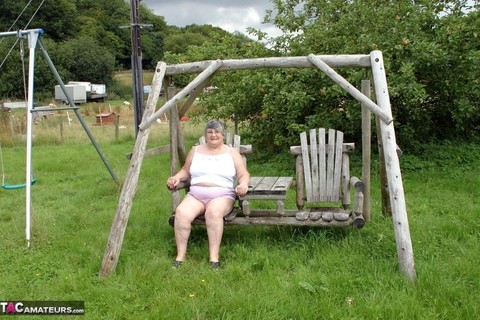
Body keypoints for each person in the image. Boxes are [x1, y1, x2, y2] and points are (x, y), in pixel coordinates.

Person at [166, 120, 250, 270]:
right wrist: (176, 178)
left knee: (213, 212)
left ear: (223, 135)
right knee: (181, 212)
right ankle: (180, 256)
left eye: (217, 132)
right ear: (205, 135)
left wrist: (243, 184)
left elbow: (243, 174)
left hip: (222, 195)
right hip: (196, 195)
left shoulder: (231, 153)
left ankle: (214, 258)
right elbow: (185, 170)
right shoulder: (196, 151)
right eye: (210, 132)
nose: (213, 135)